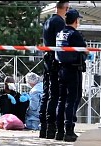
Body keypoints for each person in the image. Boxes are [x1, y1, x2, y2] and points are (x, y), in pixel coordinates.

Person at [55, 9, 88, 142]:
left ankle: (59, 131)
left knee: (61, 100)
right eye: (78, 19)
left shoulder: (60, 34)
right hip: (73, 70)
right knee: (72, 100)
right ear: (75, 21)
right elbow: (84, 50)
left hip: (61, 69)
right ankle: (69, 131)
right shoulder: (75, 35)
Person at [40, 1, 70, 139]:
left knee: (47, 93)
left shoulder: (48, 21)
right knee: (55, 94)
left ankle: (45, 127)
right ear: (66, 9)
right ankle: (51, 127)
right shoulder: (59, 23)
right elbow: (62, 42)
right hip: (55, 61)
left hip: (47, 59)